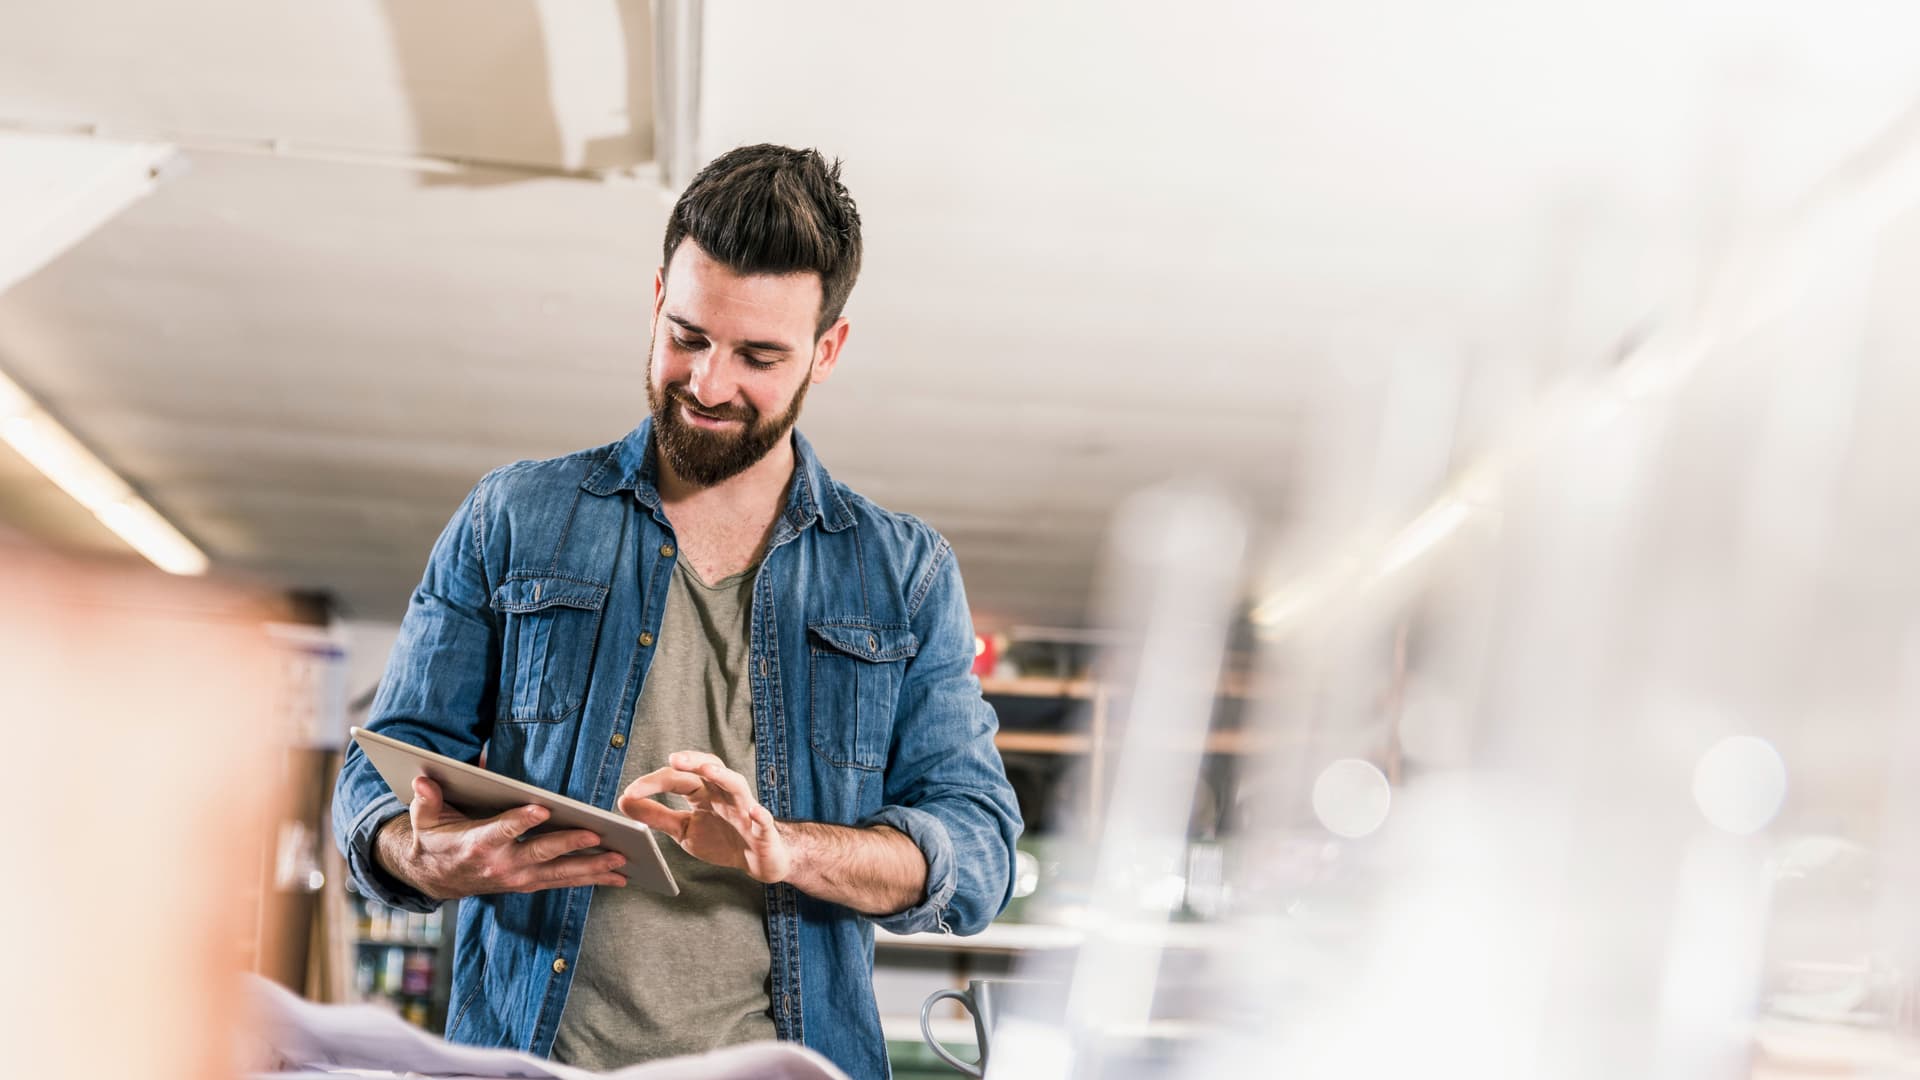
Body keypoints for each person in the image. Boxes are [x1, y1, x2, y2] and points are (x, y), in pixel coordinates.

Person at [331, 143, 1023, 1080]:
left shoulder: (904, 576)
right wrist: (421, 854)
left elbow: (977, 850)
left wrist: (785, 850)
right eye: (688, 337)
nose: (707, 384)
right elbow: (382, 767)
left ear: (827, 351)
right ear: (657, 299)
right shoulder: (515, 518)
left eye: (759, 356)